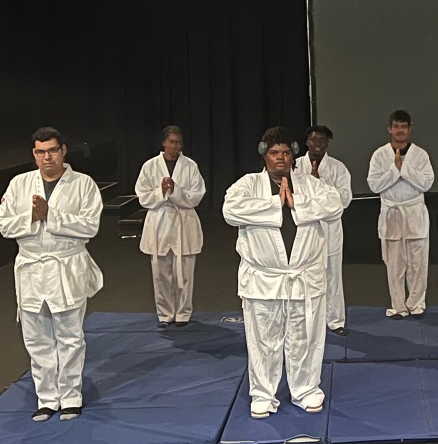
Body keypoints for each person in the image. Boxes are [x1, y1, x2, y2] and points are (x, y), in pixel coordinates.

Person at [223, 127, 343, 418]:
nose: (281, 158)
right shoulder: (248, 184)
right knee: (264, 340)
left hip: (304, 275)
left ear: (294, 155)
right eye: (275, 152)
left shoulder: (309, 184)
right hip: (264, 278)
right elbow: (230, 211)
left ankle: (306, 389)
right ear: (264, 155)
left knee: (305, 336)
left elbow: (335, 205)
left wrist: (297, 203)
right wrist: (275, 203)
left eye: (286, 152)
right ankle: (263, 394)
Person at [0, 127, 104, 421]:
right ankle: (46, 397)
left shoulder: (83, 184)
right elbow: (4, 225)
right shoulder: (19, 184)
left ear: (63, 151)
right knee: (37, 339)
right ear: (34, 154)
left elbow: (90, 226)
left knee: (70, 337)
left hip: (66, 265)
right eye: (41, 152)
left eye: (53, 150)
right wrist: (32, 216)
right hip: (31, 267)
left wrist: (51, 216)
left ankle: (70, 396)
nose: (47, 157)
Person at [135, 125, 206, 329]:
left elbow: (197, 195)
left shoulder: (190, 166)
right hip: (160, 221)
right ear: (164, 143)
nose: (176, 146)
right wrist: (161, 192)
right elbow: (142, 196)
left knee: (185, 273)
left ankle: (183, 313)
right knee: (161, 273)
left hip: (184, 220)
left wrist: (175, 191)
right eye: (172, 142)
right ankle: (165, 313)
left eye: (179, 143)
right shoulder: (150, 166)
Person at [367, 110, 435, 319]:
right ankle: (398, 306)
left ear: (409, 129)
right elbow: (374, 185)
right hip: (392, 212)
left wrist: (404, 168)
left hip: (414, 212)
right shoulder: (379, 155)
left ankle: (416, 304)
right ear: (390, 129)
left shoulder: (420, 155)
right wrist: (394, 170)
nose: (400, 131)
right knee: (394, 264)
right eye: (396, 127)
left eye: (403, 127)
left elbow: (426, 183)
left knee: (418, 263)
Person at [300, 125, 353, 336]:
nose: (318, 144)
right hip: (306, 228)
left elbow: (345, 199)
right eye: (314, 139)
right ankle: (308, 320)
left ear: (328, 143)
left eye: (322, 140)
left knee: (333, 275)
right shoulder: (296, 166)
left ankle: (336, 320)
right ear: (307, 142)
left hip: (330, 228)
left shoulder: (338, 168)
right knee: (306, 276)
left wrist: (321, 186)